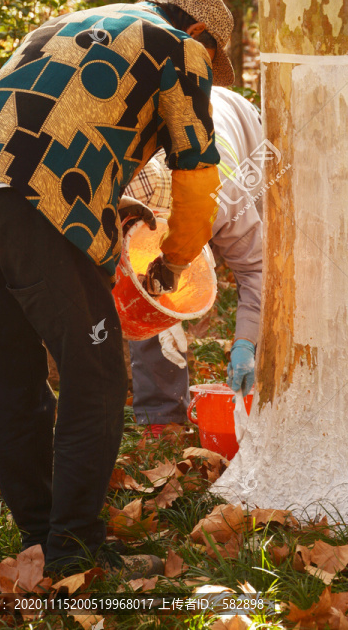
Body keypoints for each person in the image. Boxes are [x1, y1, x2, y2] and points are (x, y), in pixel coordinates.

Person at [0, 0, 234, 575]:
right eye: (214, 56)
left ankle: (39, 536)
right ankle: (74, 551)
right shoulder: (179, 47)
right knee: (96, 377)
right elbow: (197, 172)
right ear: (203, 32)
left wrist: (111, 222)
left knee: (11, 380)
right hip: (33, 201)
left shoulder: (71, 23)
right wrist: (176, 261)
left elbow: (58, 132)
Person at [124, 86, 263, 435]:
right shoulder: (123, 165)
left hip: (246, 139)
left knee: (273, 257)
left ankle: (266, 393)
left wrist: (246, 341)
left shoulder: (227, 198)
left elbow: (257, 270)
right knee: (147, 293)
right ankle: (162, 417)